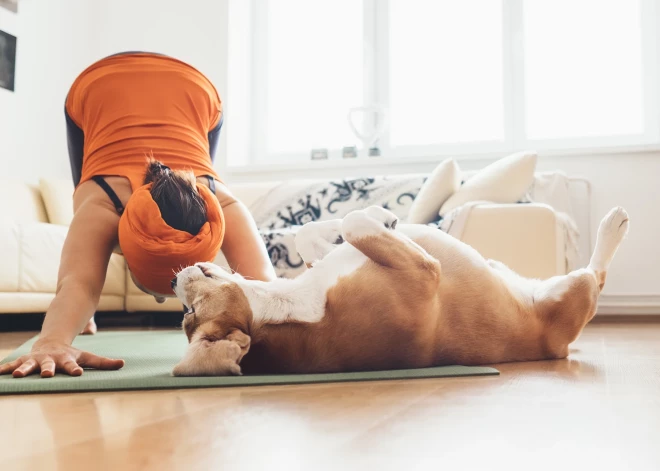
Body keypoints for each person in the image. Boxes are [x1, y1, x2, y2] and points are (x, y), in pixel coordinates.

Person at [0, 51, 276, 379]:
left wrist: (56, 337)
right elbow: (79, 285)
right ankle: (74, 316)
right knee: (84, 198)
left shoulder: (220, 205)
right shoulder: (103, 206)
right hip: (109, 86)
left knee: (87, 209)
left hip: (188, 90)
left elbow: (265, 290)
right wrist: (52, 341)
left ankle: (75, 315)